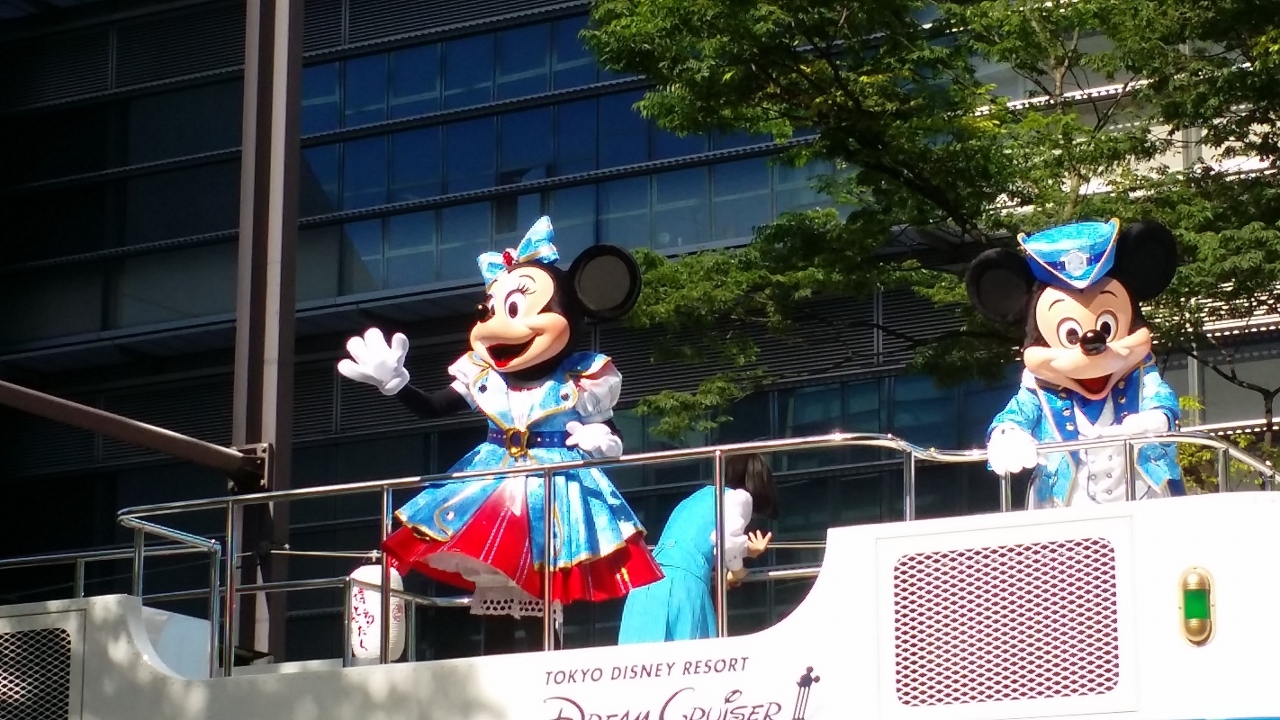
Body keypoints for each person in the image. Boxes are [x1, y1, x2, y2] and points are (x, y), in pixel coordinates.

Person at [336, 217, 663, 627]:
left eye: (515, 308)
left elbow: (610, 431)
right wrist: (398, 384)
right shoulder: (483, 376)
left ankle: (548, 658)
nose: (496, 326)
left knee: (548, 581)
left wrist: (606, 440)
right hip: (491, 483)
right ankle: (497, 661)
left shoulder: (583, 377)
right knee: (496, 570)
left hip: (556, 486)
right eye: (489, 311)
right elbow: (435, 408)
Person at [617, 453, 779, 644]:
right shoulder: (740, 497)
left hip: (645, 586)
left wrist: (743, 550)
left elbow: (702, 540)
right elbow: (724, 542)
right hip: (683, 588)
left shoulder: (697, 497)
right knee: (693, 665)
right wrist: (740, 571)